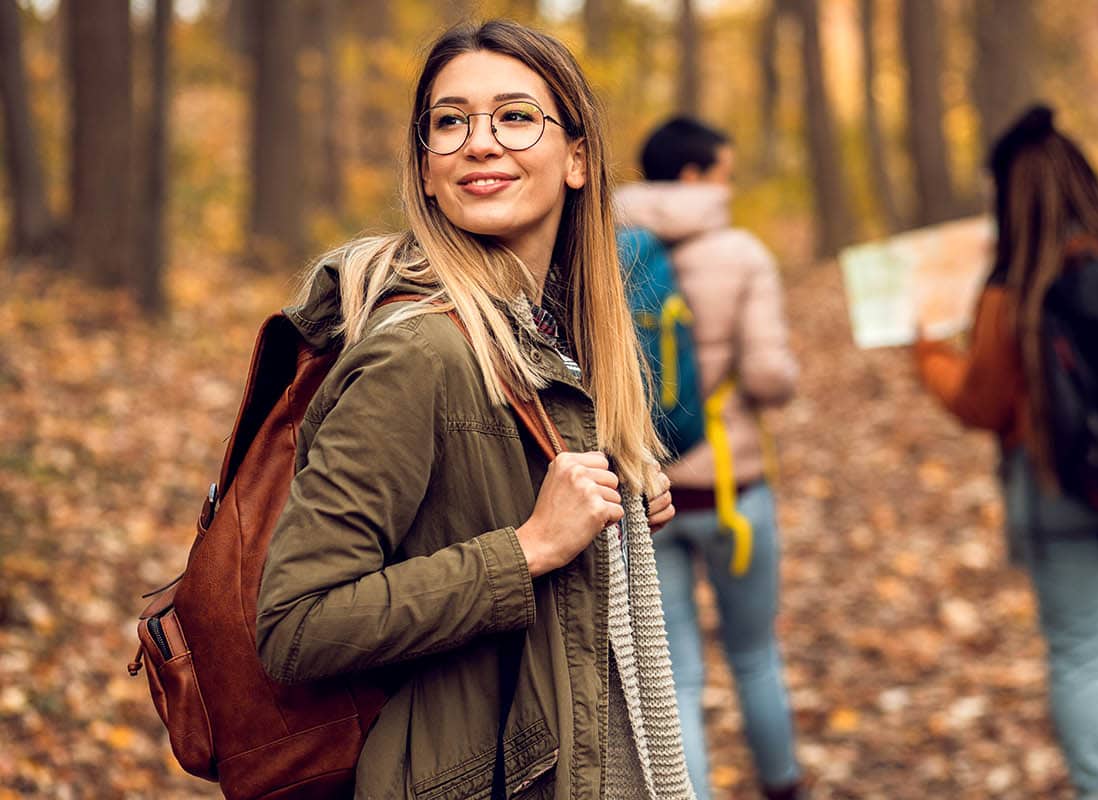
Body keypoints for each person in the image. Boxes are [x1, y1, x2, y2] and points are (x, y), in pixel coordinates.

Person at [254, 21, 697, 800]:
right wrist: (526, 548)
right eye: (450, 121)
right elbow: (296, 625)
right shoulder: (417, 353)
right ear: (426, 171)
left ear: (578, 159)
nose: (479, 143)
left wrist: (620, 490)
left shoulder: (553, 340)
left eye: (517, 116)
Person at [912, 105, 1098, 800]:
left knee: (1079, 652)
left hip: (1054, 484)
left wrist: (927, 353)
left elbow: (983, 405)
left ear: (1008, 197)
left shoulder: (1010, 289)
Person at [615, 117, 804, 800]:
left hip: (646, 497)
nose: (729, 181)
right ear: (694, 175)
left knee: (679, 678)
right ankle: (782, 786)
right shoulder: (742, 253)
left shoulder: (605, 251)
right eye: (723, 169)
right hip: (733, 490)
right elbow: (768, 381)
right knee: (755, 655)